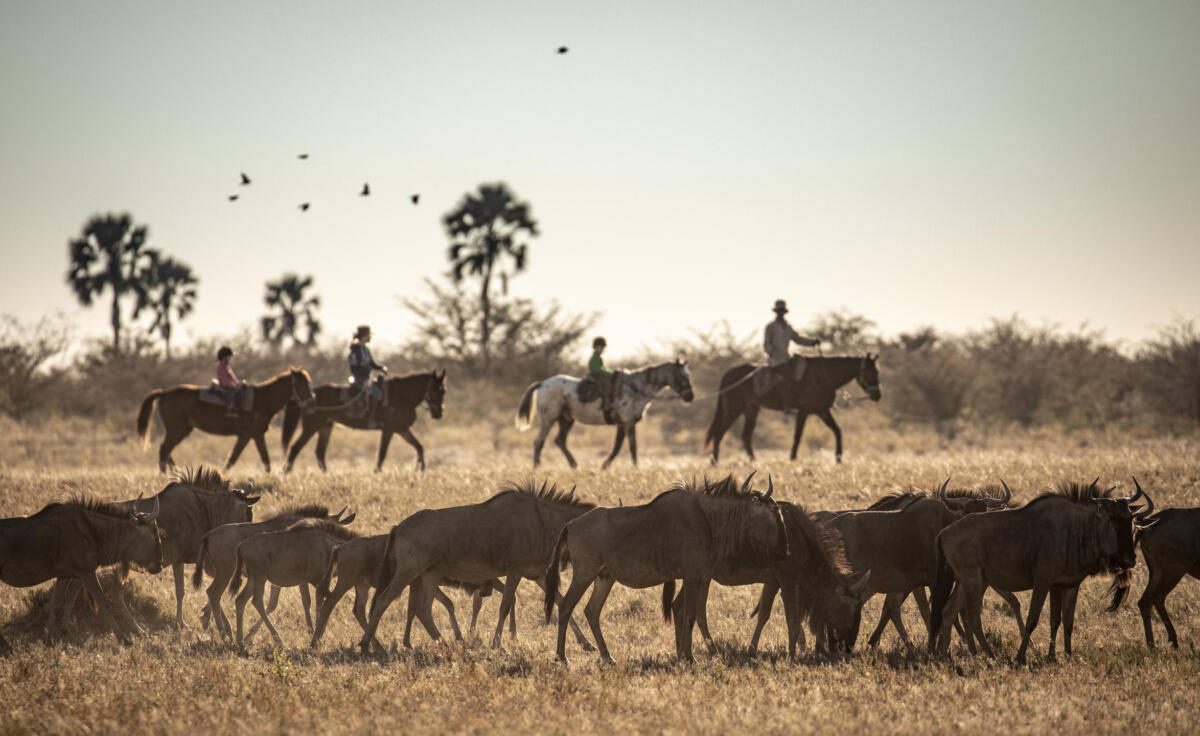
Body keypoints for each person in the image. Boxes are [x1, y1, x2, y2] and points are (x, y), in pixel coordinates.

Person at [757, 299, 819, 394]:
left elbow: (797, 339)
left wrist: (812, 342)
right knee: (788, 377)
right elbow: (766, 344)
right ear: (776, 312)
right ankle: (787, 404)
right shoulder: (771, 327)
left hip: (787, 358)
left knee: (803, 371)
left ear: (784, 312)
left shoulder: (787, 327)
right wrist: (771, 353)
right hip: (776, 360)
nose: (781, 313)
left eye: (782, 311)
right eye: (779, 311)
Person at [348, 325, 386, 420]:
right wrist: (361, 376)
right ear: (364, 336)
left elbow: (372, 364)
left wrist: (381, 368)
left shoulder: (366, 349)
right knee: (373, 393)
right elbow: (353, 367)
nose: (370, 338)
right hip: (359, 379)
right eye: (369, 336)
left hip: (367, 378)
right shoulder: (355, 350)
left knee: (379, 392)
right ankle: (367, 415)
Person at [587, 336, 619, 417]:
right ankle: (606, 402)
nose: (601, 349)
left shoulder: (599, 357)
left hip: (598, 373)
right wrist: (607, 373)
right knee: (607, 384)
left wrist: (610, 371)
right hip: (595, 374)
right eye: (599, 347)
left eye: (602, 348)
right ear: (595, 347)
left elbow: (603, 367)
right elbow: (597, 369)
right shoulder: (594, 357)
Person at [215, 346, 239, 416]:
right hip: (226, 387)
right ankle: (230, 409)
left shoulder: (227, 367)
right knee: (232, 393)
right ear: (224, 357)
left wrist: (237, 383)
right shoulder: (221, 367)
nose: (230, 359)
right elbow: (224, 380)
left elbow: (233, 377)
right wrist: (233, 385)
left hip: (230, 385)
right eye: (229, 357)